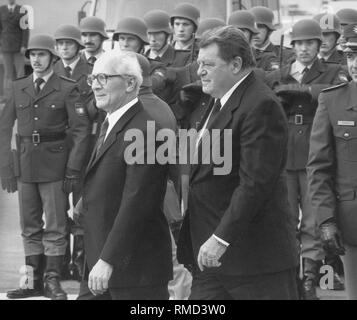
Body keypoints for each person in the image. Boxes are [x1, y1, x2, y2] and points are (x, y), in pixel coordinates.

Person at [177, 26, 298, 300]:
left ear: (236, 64)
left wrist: (220, 239)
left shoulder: (260, 105)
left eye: (208, 64)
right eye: (199, 64)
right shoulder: (218, 99)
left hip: (253, 264)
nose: (200, 72)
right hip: (212, 260)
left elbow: (255, 184)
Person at [76, 50, 172, 300]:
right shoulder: (112, 122)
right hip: (101, 262)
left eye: (104, 78)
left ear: (131, 83)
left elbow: (138, 203)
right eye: (93, 78)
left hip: (133, 271)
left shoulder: (146, 131)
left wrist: (108, 260)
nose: (96, 85)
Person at [0, 34, 90, 300]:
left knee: (55, 226)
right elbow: (4, 128)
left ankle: (52, 281)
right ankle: (31, 281)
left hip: (55, 165)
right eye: (32, 55)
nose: (36, 60)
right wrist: (6, 166)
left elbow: (82, 130)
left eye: (41, 54)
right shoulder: (19, 86)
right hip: (25, 165)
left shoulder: (67, 87)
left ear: (52, 58)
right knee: (29, 226)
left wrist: (73, 169)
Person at [266, 19, 348, 300]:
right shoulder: (279, 73)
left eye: (310, 43)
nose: (304, 49)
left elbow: (339, 89)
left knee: (313, 222)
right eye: (299, 43)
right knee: (285, 218)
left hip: (315, 151)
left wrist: (305, 91)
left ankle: (309, 277)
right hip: (284, 152)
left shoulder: (333, 70)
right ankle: (290, 275)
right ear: (293, 46)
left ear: (318, 45)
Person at [136, 53, 192, 300]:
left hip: (154, 193)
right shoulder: (155, 105)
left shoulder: (145, 108)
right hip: (162, 190)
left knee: (171, 257)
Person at [307, 24, 357, 300]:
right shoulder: (333, 101)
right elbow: (319, 167)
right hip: (353, 224)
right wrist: (326, 220)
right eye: (351, 56)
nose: (356, 64)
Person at [54, 24, 97, 281]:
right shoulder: (52, 72)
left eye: (69, 44)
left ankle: (80, 262)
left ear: (78, 47)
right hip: (55, 148)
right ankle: (58, 263)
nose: (64, 48)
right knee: (58, 209)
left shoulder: (91, 72)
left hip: (84, 145)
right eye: (60, 44)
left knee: (82, 205)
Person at [0, 0, 29, 99]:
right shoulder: (1, 10)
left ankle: (22, 95)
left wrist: (24, 45)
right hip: (5, 47)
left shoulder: (22, 9)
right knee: (8, 73)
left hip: (18, 47)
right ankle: (8, 97)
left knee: (20, 72)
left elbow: (25, 29)